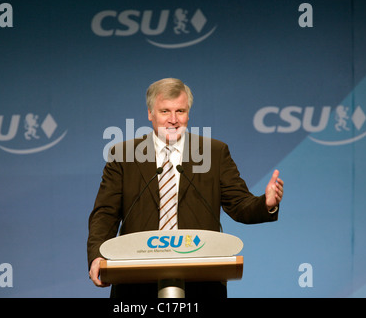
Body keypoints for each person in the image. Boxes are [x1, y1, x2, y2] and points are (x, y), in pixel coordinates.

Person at [87, 78, 284, 298]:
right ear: (150, 113)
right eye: (165, 111)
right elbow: (105, 213)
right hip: (136, 283)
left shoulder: (213, 152)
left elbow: (239, 205)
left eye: (180, 111)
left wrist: (266, 203)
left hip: (201, 281)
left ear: (188, 113)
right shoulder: (124, 155)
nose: (173, 120)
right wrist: (98, 255)